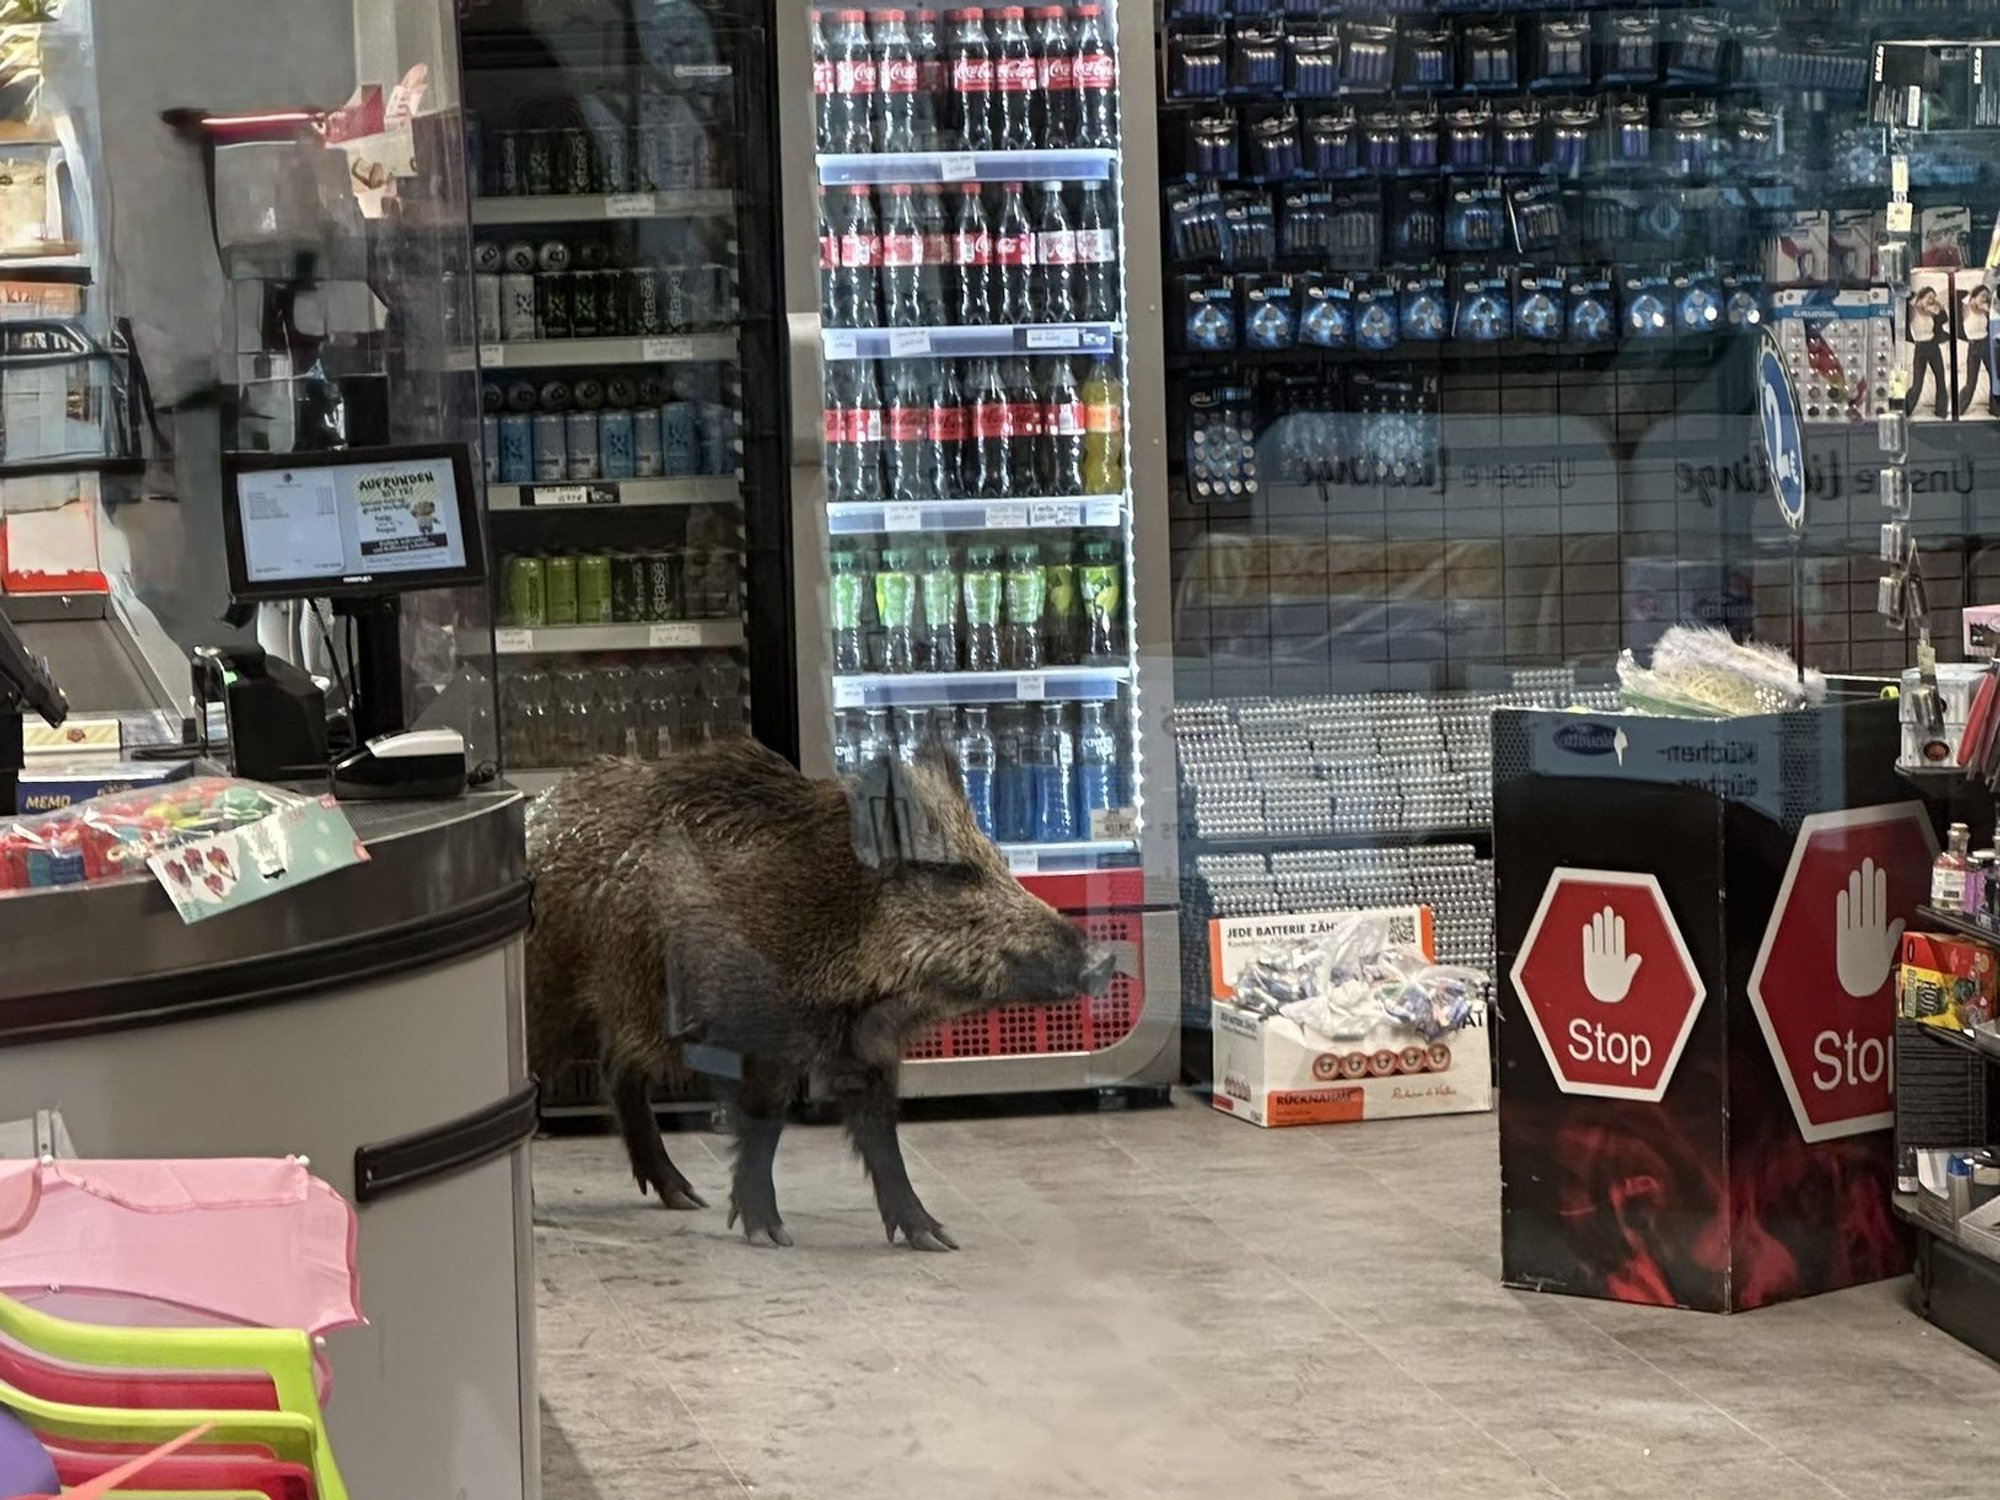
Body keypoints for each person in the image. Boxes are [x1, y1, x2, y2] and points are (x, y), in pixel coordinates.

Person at [1909, 285, 1951, 420]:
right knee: (1917, 383)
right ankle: (1906, 409)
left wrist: (1939, 305)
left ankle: (1941, 411)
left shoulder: (1932, 313)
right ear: (1921, 298)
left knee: (1940, 378)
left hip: (1933, 346)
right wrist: (1919, 303)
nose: (1932, 300)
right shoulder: (1913, 312)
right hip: (1920, 348)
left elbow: (1944, 319)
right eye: (1929, 298)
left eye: (1934, 298)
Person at [1961, 284, 1995, 417]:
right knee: (1971, 382)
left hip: (1985, 343)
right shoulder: (1966, 308)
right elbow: (1963, 298)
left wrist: (1987, 307)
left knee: (1995, 376)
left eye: (1986, 297)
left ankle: (1995, 408)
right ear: (1974, 296)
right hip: (1974, 346)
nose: (1984, 299)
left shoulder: (1985, 310)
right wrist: (1974, 300)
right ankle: (1960, 408)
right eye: (1982, 296)